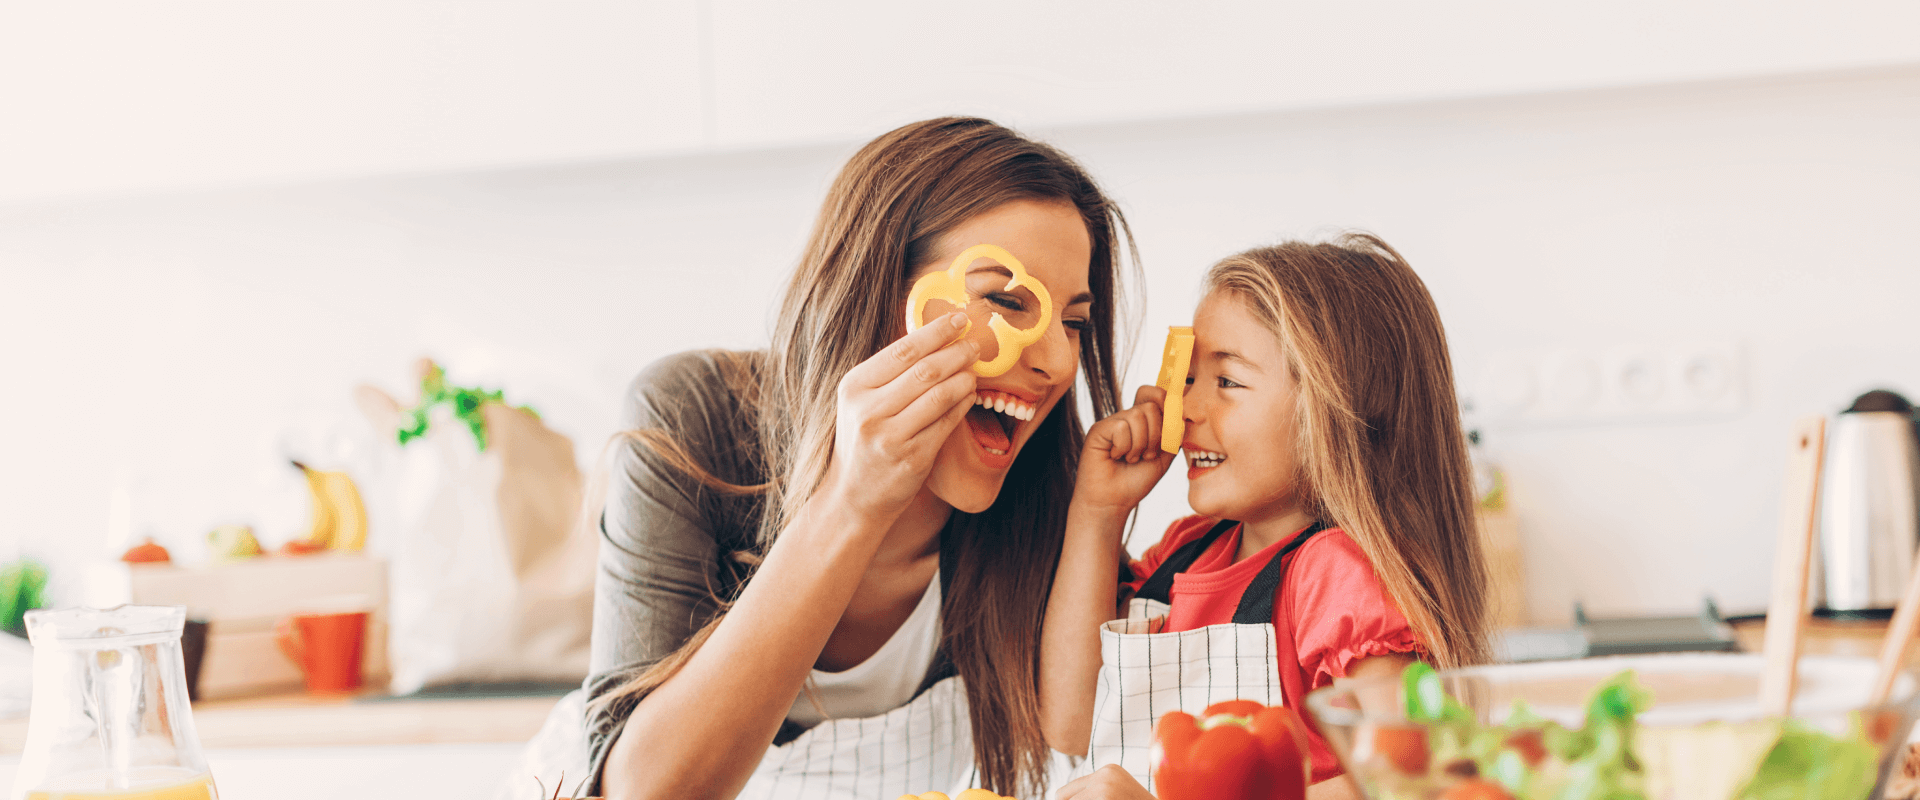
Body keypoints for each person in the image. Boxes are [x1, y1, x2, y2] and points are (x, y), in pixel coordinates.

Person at [583, 117, 1138, 799]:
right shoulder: (694, 416)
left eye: (1074, 322)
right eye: (1004, 300)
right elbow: (640, 792)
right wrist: (853, 499)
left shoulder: (1054, 499)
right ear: (876, 287)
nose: (1057, 362)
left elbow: (1088, 744)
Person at [1040, 234, 1491, 799]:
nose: (1186, 409)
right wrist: (1097, 511)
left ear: (1334, 410)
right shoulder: (1184, 552)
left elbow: (1407, 776)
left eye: (1227, 381)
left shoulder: (1337, 574)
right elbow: (1070, 722)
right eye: (1188, 380)